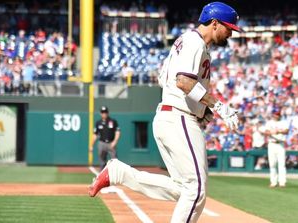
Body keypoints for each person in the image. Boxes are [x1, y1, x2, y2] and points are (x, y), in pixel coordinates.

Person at [88, 2, 240, 223]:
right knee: (195, 190)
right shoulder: (193, 42)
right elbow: (183, 81)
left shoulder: (188, 42)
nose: (230, 33)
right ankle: (118, 173)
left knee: (184, 189)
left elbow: (165, 78)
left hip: (173, 116)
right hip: (179, 119)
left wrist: (201, 108)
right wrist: (217, 106)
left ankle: (119, 173)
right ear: (214, 24)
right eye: (228, 27)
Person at [262, 109, 289, 188]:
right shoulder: (269, 123)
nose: (277, 116)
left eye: (278, 114)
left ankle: (282, 182)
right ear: (273, 115)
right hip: (272, 143)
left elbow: (287, 131)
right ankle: (273, 182)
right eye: (275, 114)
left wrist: (279, 131)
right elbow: (265, 132)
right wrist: (272, 132)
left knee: (282, 164)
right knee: (272, 164)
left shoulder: (284, 122)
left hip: (280, 143)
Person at [90, 106, 121, 171]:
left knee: (115, 161)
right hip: (102, 143)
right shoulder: (98, 123)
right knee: (102, 162)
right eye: (102, 112)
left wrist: (115, 142)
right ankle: (102, 177)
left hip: (111, 143)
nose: (104, 114)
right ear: (100, 113)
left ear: (108, 113)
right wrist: (91, 145)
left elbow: (117, 132)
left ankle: (115, 177)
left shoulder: (113, 121)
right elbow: (95, 135)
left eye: (105, 112)